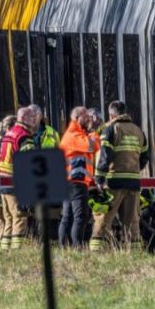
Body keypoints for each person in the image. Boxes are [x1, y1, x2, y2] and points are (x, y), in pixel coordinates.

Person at [91, 100, 149, 251]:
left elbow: (105, 155)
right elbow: (144, 158)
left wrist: (99, 178)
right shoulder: (139, 131)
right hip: (133, 183)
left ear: (111, 114)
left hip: (114, 182)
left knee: (104, 217)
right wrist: (133, 169)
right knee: (132, 221)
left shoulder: (110, 129)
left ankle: (98, 250)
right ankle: (134, 251)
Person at [0, 107, 37, 249]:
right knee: (20, 216)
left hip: (3, 182)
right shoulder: (24, 136)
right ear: (25, 118)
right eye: (32, 117)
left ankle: (5, 248)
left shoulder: (9, 133)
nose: (35, 120)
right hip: (15, 182)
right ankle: (18, 250)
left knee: (8, 218)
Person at [58, 106, 94, 248]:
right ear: (77, 118)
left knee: (68, 216)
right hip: (75, 181)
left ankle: (65, 246)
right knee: (80, 216)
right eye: (86, 116)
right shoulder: (74, 134)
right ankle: (76, 246)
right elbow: (92, 146)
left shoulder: (73, 134)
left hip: (71, 181)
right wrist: (93, 132)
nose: (89, 118)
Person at [0, 115, 16, 250]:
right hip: (3, 185)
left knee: (0, 218)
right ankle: (4, 246)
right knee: (7, 216)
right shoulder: (6, 141)